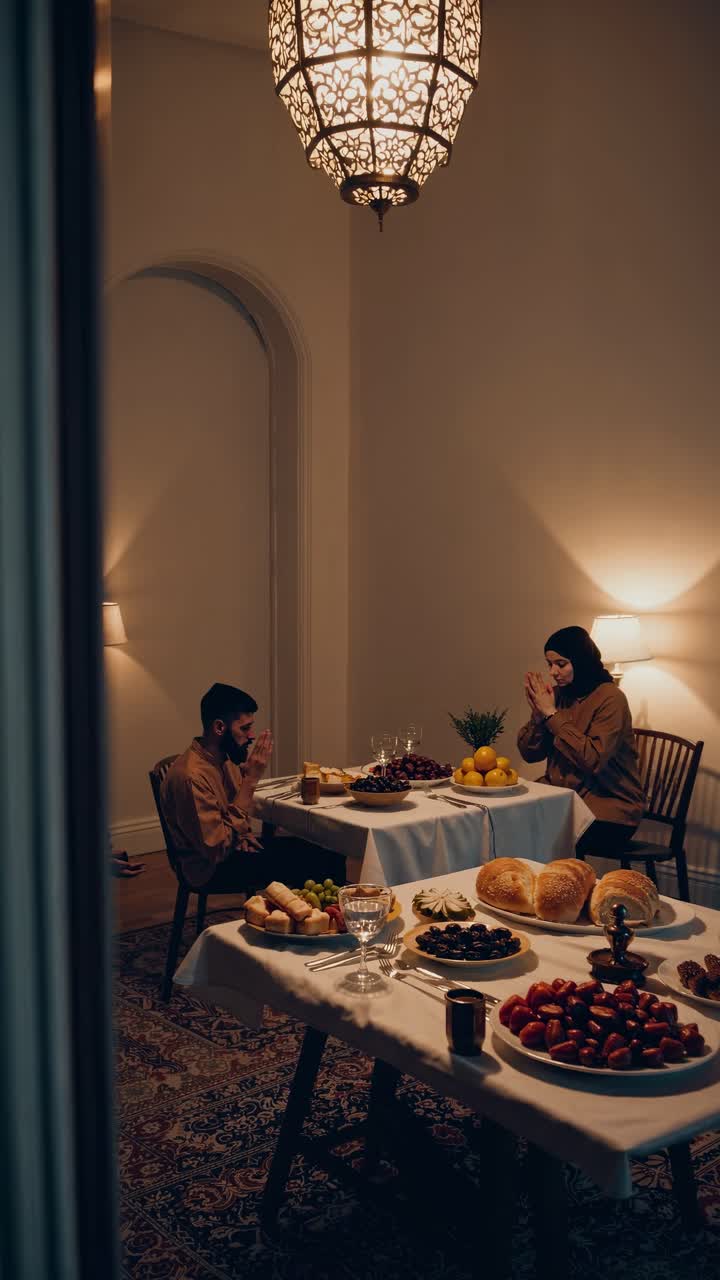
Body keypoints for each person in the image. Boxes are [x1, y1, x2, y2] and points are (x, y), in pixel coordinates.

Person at [161, 682, 344, 892]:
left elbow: (234, 816)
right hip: (209, 869)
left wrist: (245, 835)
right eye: (245, 728)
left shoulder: (224, 757)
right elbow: (217, 849)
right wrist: (250, 780)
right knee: (314, 864)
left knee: (329, 850)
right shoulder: (191, 777)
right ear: (219, 727)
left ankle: (322, 917)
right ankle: (311, 918)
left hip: (233, 847)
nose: (251, 736)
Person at [517, 626, 646, 858]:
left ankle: (559, 890)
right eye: (550, 664)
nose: (554, 672)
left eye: (561, 663)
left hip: (610, 809)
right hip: (562, 800)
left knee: (540, 832)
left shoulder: (611, 698)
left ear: (581, 660)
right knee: (509, 817)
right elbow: (530, 754)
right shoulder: (556, 696)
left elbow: (591, 760)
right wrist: (538, 717)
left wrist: (551, 715)